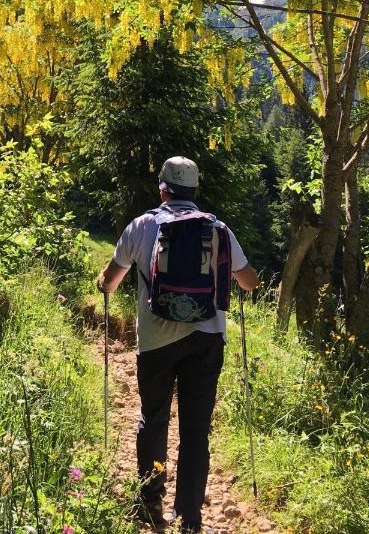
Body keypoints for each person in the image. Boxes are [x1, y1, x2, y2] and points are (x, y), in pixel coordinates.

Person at [97, 156, 259, 533]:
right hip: (206, 340)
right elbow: (249, 282)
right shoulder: (217, 228)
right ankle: (189, 518)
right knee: (195, 429)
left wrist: (101, 285)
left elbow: (110, 281)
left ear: (163, 189)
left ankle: (149, 502)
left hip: (156, 342)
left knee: (153, 419)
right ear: (195, 191)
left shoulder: (141, 226)